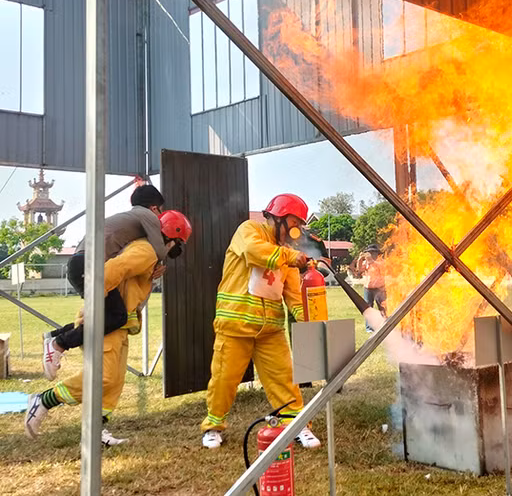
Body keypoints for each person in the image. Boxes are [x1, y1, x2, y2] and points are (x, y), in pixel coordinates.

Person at [24, 211, 192, 444]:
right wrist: (96, 306)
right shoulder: (146, 250)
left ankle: (95, 432)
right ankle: (43, 400)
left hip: (121, 326)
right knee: (102, 378)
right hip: (110, 324)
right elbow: (114, 269)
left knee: (114, 383)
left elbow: (130, 284)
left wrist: (150, 277)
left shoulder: (149, 255)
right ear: (172, 239)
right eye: (178, 245)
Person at [200, 193, 321, 450]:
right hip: (235, 325)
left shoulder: (288, 253)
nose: (296, 230)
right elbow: (254, 252)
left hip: (270, 330)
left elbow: (292, 293)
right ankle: (213, 426)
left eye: (299, 225)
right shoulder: (249, 230)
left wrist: (308, 316)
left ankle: (296, 424)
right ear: (277, 218)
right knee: (224, 378)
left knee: (284, 378)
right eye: (293, 223)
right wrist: (290, 257)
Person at [42, 185, 170, 381]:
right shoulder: (147, 215)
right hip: (88, 264)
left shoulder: (129, 218)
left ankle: (54, 335)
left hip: (81, 263)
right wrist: (162, 262)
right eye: (160, 212)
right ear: (154, 208)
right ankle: (59, 344)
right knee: (118, 317)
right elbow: (159, 250)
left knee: (104, 315)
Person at [355, 244, 386, 332]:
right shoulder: (366, 263)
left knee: (383, 308)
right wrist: (360, 259)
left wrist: (370, 260)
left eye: (373, 252)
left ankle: (385, 325)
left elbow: (379, 268)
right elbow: (359, 270)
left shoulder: (381, 262)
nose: (371, 254)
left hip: (380, 288)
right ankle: (369, 327)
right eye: (370, 252)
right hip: (368, 288)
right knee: (368, 308)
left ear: (377, 253)